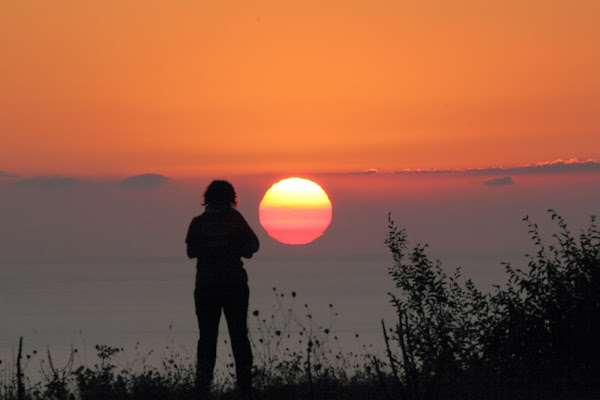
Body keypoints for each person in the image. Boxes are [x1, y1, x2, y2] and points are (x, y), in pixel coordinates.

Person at [185, 180, 260, 399]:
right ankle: (245, 388)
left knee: (207, 339)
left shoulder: (199, 223)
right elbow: (253, 247)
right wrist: (229, 247)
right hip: (233, 285)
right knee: (238, 337)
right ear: (231, 198)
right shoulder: (235, 220)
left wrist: (212, 248)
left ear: (207, 198)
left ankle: (203, 388)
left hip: (207, 287)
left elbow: (191, 252)